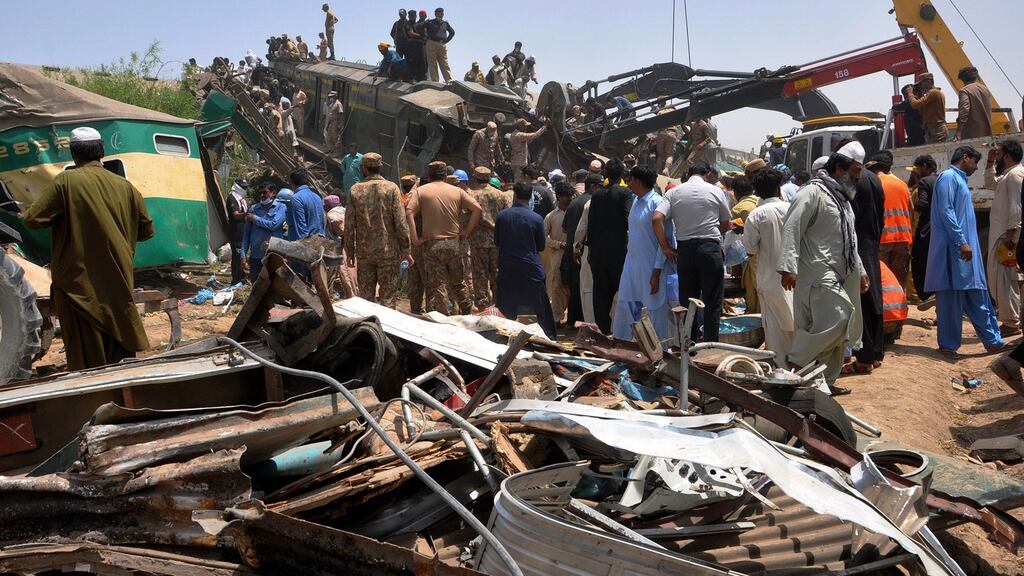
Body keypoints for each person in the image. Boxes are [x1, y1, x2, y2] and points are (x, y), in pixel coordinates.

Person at [23, 127, 154, 370]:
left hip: (78, 289)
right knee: (120, 356)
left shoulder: (65, 182)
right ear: (101, 152)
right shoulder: (125, 187)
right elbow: (147, 230)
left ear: (74, 155)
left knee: (87, 361)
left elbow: (32, 219)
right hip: (118, 285)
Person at [778, 141, 869, 385]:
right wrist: (788, 266)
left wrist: (860, 270)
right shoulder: (812, 192)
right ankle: (796, 359)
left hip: (842, 271)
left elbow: (849, 238)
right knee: (839, 317)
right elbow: (792, 227)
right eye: (856, 171)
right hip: (816, 269)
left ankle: (824, 384)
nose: (859, 177)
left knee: (840, 333)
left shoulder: (841, 198)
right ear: (839, 168)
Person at [924, 146, 1005, 357]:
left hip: (966, 253)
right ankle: (949, 346)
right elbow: (946, 211)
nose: (975, 168)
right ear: (965, 157)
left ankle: (993, 341)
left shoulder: (959, 180)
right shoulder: (948, 178)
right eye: (974, 162)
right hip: (954, 251)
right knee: (951, 299)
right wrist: (961, 241)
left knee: (977, 294)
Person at [654, 161, 730, 342]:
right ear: (707, 174)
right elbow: (726, 223)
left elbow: (657, 218)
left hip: (685, 251)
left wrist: (665, 247)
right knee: (712, 301)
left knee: (688, 303)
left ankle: (690, 346)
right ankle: (711, 345)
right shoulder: (716, 191)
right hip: (710, 248)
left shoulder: (673, 192)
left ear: (688, 174)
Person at [406, 161, 481, 314]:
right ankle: (467, 312)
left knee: (438, 284)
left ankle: (443, 317)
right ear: (446, 176)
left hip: (432, 245)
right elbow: (477, 209)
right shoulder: (457, 191)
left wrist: (415, 239)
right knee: (459, 282)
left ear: (429, 175)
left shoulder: (421, 191)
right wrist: (466, 231)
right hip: (453, 243)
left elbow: (409, 212)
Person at [612, 166, 675, 343]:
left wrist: (656, 271)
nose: (628, 183)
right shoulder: (635, 202)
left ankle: (658, 348)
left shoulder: (657, 203)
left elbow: (665, 242)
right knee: (627, 303)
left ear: (638, 181)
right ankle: (626, 345)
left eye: (630, 180)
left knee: (654, 309)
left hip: (651, 267)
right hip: (632, 265)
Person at [345, 153, 412, 307]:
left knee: (366, 299)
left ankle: (368, 328)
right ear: (381, 167)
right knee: (388, 299)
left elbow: (349, 225)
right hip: (388, 252)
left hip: (364, 253)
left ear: (364, 169)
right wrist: (406, 249)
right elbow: (401, 223)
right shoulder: (392, 188)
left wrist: (349, 252)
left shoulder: (355, 190)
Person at [495, 183, 558, 339]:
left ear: (514, 195)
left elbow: (497, 241)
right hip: (530, 267)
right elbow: (541, 246)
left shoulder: (502, 216)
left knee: (505, 305)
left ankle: (502, 336)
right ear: (530, 197)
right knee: (541, 305)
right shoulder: (536, 218)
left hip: (508, 266)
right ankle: (549, 336)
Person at [742, 169, 793, 361]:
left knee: (775, 327)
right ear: (778, 188)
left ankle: (782, 367)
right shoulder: (792, 208)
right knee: (797, 319)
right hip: (797, 276)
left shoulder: (757, 215)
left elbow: (750, 249)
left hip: (770, 277)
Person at [850, 150, 886, 373]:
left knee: (862, 301)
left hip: (858, 243)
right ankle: (876, 353)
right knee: (874, 299)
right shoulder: (873, 177)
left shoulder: (853, 179)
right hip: (872, 241)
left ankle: (864, 357)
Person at [984, 140, 1024, 336]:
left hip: (1006, 237)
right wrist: (990, 162)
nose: (997, 157)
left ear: (1007, 156)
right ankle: (1010, 318)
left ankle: (1010, 323)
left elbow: (1017, 207)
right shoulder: (1008, 175)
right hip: (1001, 234)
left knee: (1006, 280)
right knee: (999, 279)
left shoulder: (1015, 175)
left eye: (998, 154)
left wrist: (1012, 236)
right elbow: (989, 183)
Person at [468, 167, 510, 310]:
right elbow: (507, 216)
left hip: (477, 241)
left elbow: (467, 217)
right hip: (497, 240)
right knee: (497, 272)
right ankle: (499, 304)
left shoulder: (472, 195)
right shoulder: (501, 195)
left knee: (479, 274)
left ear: (475, 178)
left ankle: (481, 305)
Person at [875, 151, 913, 293]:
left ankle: (884, 311)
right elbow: (910, 212)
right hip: (903, 239)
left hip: (883, 238)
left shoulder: (876, 183)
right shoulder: (902, 185)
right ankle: (899, 309)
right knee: (898, 278)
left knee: (882, 279)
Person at [562, 173, 597, 325]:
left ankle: (571, 320)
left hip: (572, 250)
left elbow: (564, 228)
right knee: (587, 289)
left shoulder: (574, 203)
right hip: (585, 251)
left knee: (575, 287)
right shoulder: (593, 203)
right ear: (594, 187)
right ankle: (585, 322)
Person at [241, 182, 287, 282]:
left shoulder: (281, 208)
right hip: (256, 256)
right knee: (256, 286)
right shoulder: (254, 208)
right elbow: (246, 235)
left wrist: (255, 218)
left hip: (273, 255)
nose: (262, 195)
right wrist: (243, 254)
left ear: (273, 193)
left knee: (273, 286)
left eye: (265, 192)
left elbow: (274, 225)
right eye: (261, 193)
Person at [910, 155, 938, 302]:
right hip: (941, 231)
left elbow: (922, 204)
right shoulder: (941, 180)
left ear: (926, 166)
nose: (917, 172)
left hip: (926, 231)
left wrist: (912, 206)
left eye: (919, 168)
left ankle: (926, 295)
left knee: (919, 265)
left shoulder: (924, 182)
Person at [545, 182, 573, 325]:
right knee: (557, 288)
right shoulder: (551, 216)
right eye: (566, 196)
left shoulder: (575, 213)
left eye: (570, 195)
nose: (569, 198)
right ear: (558, 197)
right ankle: (556, 319)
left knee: (572, 288)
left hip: (574, 257)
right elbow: (543, 238)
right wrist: (558, 244)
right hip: (558, 258)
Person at [904, 73, 947, 143]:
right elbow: (920, 111)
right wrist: (918, 96)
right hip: (931, 128)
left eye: (921, 84)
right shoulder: (932, 93)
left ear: (929, 81)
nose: (921, 86)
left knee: (936, 151)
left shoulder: (933, 92)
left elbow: (915, 105)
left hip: (936, 128)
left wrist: (910, 94)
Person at [955, 66, 993, 140]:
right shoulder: (984, 89)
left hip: (971, 134)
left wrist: (959, 131)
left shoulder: (964, 91)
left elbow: (964, 110)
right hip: (987, 132)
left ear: (962, 79)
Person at [287, 169, 325, 241]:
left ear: (292, 182)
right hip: (319, 241)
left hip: (304, 245)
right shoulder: (317, 197)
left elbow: (301, 227)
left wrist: (306, 244)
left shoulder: (296, 198)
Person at [510, 118, 547, 184]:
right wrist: (544, 126)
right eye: (524, 126)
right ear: (521, 126)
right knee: (519, 183)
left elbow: (527, 140)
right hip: (519, 163)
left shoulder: (513, 134)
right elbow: (534, 135)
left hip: (518, 162)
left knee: (521, 181)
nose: (526, 127)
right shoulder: (519, 135)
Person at [226, 180, 249, 285]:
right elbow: (235, 214)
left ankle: (242, 277)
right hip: (236, 231)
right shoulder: (232, 198)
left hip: (243, 230)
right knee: (237, 255)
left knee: (242, 254)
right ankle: (235, 280)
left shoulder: (242, 200)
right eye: (244, 187)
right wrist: (247, 214)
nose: (245, 190)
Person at [424, 7, 455, 82]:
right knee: (432, 64)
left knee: (444, 63)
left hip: (442, 45)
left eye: (441, 13)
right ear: (435, 14)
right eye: (438, 13)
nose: (440, 14)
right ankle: (435, 81)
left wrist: (446, 41)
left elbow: (452, 32)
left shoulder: (445, 23)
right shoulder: (430, 22)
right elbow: (420, 28)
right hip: (431, 43)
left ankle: (449, 81)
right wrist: (426, 37)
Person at [404, 10, 428, 81]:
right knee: (412, 62)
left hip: (419, 45)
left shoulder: (416, 24)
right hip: (411, 45)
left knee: (421, 62)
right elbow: (411, 33)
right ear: (408, 16)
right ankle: (411, 78)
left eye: (413, 15)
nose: (412, 17)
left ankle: (421, 78)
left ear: (416, 16)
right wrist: (421, 36)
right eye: (410, 15)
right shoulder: (408, 24)